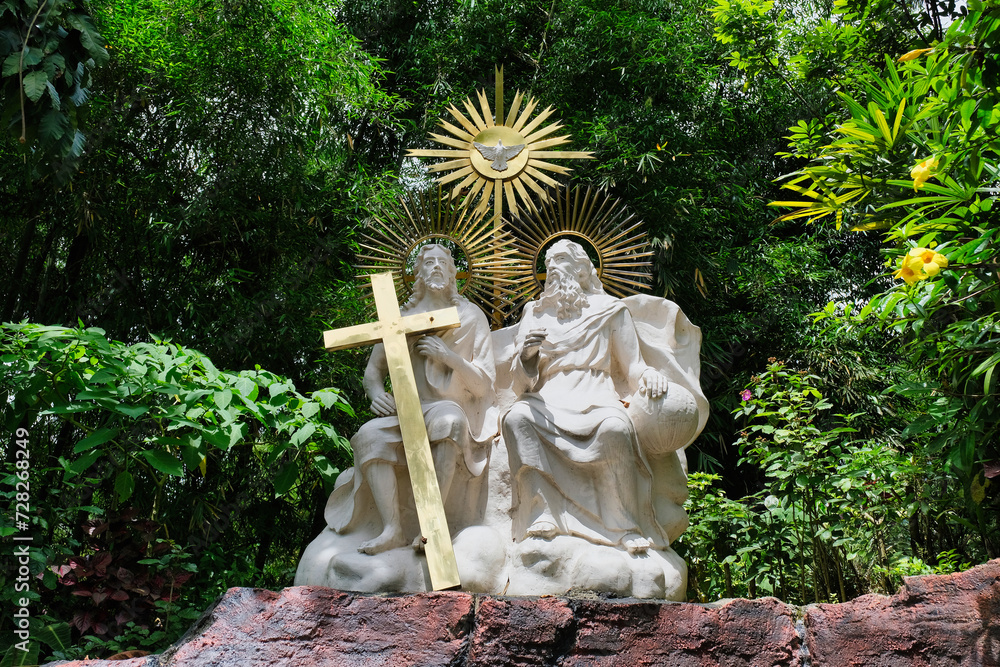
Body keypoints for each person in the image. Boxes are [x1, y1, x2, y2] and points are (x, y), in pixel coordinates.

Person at [502, 239, 684, 554]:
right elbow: (522, 384)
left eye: (559, 260)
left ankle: (623, 526)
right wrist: (529, 354)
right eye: (548, 264)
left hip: (597, 395)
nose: (552, 269)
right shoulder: (535, 312)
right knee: (517, 418)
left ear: (583, 268)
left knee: (615, 428)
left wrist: (650, 375)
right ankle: (542, 512)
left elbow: (633, 367)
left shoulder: (611, 310)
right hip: (548, 399)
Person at [325, 244, 497, 555]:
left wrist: (449, 357)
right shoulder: (399, 320)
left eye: (442, 262)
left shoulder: (471, 317)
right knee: (368, 435)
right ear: (416, 274)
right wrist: (376, 393)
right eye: (428, 262)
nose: (435, 267)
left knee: (449, 423)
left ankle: (433, 525)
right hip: (406, 411)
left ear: (454, 272)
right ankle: (392, 528)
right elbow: (372, 373)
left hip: (446, 407)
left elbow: (483, 384)